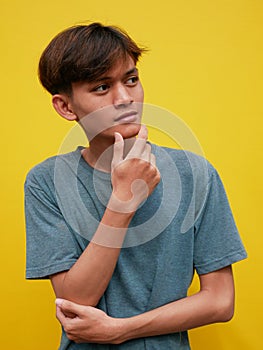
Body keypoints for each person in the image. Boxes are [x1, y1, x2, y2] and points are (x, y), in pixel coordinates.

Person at [25, 22, 247, 349]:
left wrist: (122, 329)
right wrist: (122, 202)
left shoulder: (195, 173)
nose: (125, 98)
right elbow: (76, 300)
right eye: (102, 87)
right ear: (66, 106)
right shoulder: (46, 181)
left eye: (131, 80)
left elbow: (220, 301)